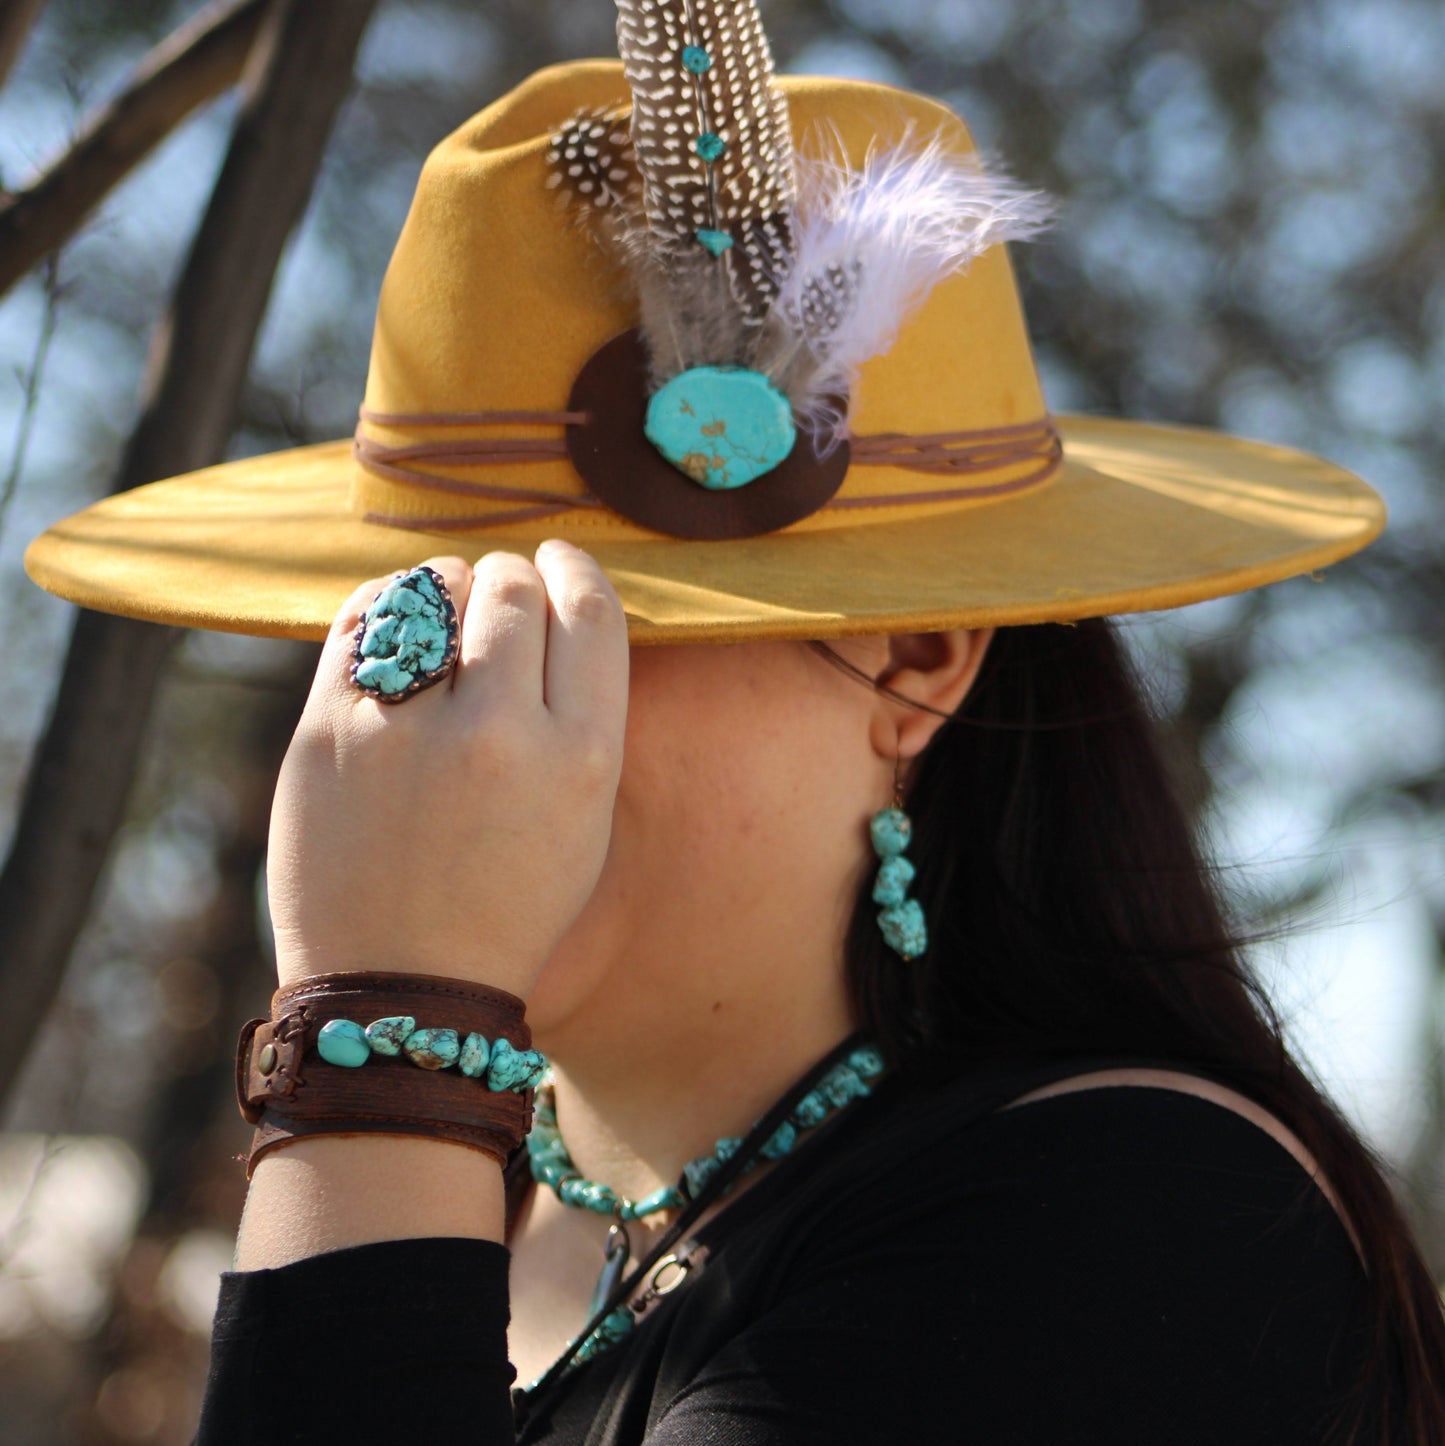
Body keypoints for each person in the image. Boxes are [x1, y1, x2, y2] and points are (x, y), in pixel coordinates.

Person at [23, 4, 1445, 1441]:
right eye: (410, 624)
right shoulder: (473, 1214)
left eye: (572, 621)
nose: (434, 710)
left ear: (917, 659)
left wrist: (387, 1038)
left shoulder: (1136, 1218)